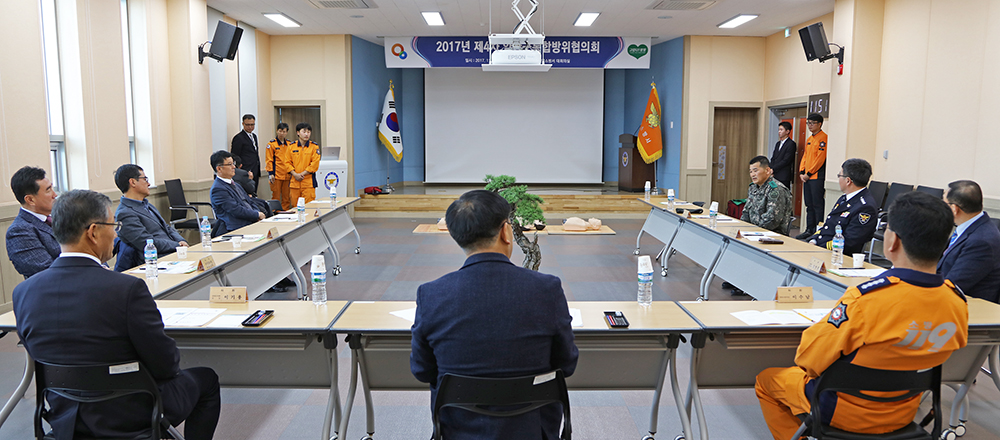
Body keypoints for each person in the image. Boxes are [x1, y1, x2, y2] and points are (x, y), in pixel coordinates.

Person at [756, 191, 968, 440]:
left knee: (766, 381)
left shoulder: (865, 300)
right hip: (904, 412)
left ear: (893, 242)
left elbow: (808, 360)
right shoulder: (957, 302)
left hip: (841, 412)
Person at [13, 189, 220, 440]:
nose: (116, 232)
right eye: (114, 225)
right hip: (130, 413)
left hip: (64, 414)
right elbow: (166, 365)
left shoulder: (23, 292)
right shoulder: (126, 289)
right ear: (93, 232)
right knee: (206, 379)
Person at [411, 190, 579, 440]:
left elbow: (422, 371)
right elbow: (567, 364)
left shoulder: (432, 294)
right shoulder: (547, 289)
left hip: (459, 431)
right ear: (505, 231)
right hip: (533, 430)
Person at [113, 164, 187, 269]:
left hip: (172, 253)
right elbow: (146, 242)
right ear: (133, 182)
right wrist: (177, 245)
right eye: (145, 179)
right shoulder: (124, 213)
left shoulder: (147, 205)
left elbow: (167, 228)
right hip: (154, 262)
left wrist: (182, 241)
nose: (149, 184)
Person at [938, 180, 1000, 303]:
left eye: (943, 203)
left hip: (967, 310)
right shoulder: (970, 228)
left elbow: (952, 286)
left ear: (954, 209)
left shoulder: (982, 242)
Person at [802, 158, 879, 255]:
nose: (838, 179)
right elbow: (828, 226)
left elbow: (850, 242)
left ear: (848, 181)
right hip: (822, 249)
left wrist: (819, 247)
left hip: (838, 256)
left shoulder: (865, 207)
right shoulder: (845, 198)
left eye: (840, 175)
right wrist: (813, 240)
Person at [5, 166, 60, 279]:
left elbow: (91, 248)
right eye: (48, 190)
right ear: (30, 200)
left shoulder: (62, 216)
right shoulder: (19, 231)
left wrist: (100, 269)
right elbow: (48, 273)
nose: (55, 195)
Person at [209, 150, 265, 235]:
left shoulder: (236, 185)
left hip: (250, 222)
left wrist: (257, 214)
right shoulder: (218, 189)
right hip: (235, 229)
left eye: (233, 163)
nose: (234, 167)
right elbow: (236, 210)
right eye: (229, 164)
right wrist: (256, 215)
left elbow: (250, 202)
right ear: (219, 168)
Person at [741, 155, 793, 235]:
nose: (752, 175)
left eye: (755, 171)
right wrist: (742, 228)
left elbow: (771, 220)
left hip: (772, 235)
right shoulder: (753, 187)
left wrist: (752, 231)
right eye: (750, 172)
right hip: (753, 232)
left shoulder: (776, 189)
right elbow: (746, 212)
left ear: (768, 170)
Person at [795, 114, 827, 239]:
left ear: (819, 124)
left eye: (812, 123)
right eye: (808, 123)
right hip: (806, 178)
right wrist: (802, 171)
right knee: (809, 205)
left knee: (817, 205)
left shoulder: (823, 138)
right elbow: (805, 156)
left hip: (816, 177)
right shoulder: (809, 139)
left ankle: (817, 231)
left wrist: (809, 173)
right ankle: (809, 229)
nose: (810, 125)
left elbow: (820, 159)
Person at [288, 122, 321, 204]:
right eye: (304, 132)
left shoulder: (314, 147)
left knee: (309, 208)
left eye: (309, 132)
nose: (307, 134)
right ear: (298, 133)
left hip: (308, 183)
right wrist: (295, 174)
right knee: (295, 208)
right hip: (294, 183)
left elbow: (314, 164)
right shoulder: (291, 146)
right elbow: (286, 162)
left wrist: (302, 174)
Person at [230, 113, 260, 194]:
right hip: (245, 170)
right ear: (243, 124)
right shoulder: (238, 138)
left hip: (255, 169)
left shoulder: (254, 136)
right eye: (248, 125)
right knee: (247, 193)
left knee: (254, 192)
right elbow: (235, 156)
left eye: (252, 124)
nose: (250, 127)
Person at [266, 122, 293, 210]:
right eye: (280, 131)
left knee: (286, 197)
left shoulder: (289, 144)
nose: (282, 133)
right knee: (276, 196)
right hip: (276, 175)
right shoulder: (272, 144)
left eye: (284, 131)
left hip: (287, 175)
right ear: (277, 131)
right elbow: (269, 159)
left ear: (287, 132)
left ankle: (285, 211)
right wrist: (271, 173)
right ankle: (275, 212)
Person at [769, 121, 797, 190]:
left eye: (781, 130)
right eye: (779, 130)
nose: (779, 132)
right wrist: (770, 169)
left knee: (783, 195)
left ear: (787, 131)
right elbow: (773, 158)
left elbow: (786, 160)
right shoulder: (778, 143)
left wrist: (774, 169)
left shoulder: (791, 144)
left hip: (784, 175)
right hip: (774, 174)